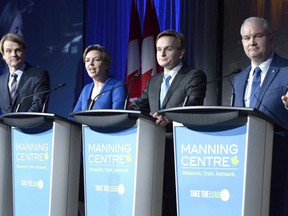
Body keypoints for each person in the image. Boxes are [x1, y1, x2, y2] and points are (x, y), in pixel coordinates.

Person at [128, 29, 207, 216]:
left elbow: (192, 106)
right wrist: (120, 115)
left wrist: (169, 119)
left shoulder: (194, 75)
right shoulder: (154, 80)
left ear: (181, 52)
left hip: (178, 149)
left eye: (168, 49)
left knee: (174, 201)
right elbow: (140, 106)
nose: (161, 54)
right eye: (158, 49)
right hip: (153, 148)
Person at [231, 17, 288, 216]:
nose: (251, 42)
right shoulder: (238, 79)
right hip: (246, 166)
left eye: (257, 36)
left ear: (271, 39)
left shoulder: (286, 71)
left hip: (281, 168)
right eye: (246, 38)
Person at [0, 32, 50, 113]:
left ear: (24, 52)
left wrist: (18, 124)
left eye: (17, 50)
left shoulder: (39, 75)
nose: (13, 54)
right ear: (3, 55)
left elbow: (38, 107)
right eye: (8, 51)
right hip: (6, 125)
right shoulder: (1, 81)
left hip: (30, 125)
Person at [73, 44, 128, 112]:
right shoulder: (86, 89)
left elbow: (117, 116)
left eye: (96, 59)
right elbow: (75, 116)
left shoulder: (117, 86)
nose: (91, 63)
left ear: (106, 64)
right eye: (87, 60)